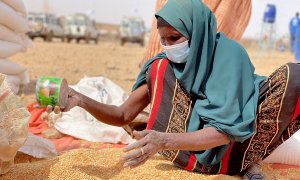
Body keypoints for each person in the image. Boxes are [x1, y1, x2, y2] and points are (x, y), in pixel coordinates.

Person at [50, 0, 300, 179]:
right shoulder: (164, 66)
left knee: (295, 76)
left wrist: (164, 140)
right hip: (186, 153)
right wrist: (80, 99)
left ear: (197, 32)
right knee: (159, 67)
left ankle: (249, 162)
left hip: (234, 150)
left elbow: (226, 130)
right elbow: (122, 115)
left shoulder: (230, 55)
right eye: (164, 39)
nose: (169, 46)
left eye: (175, 38)